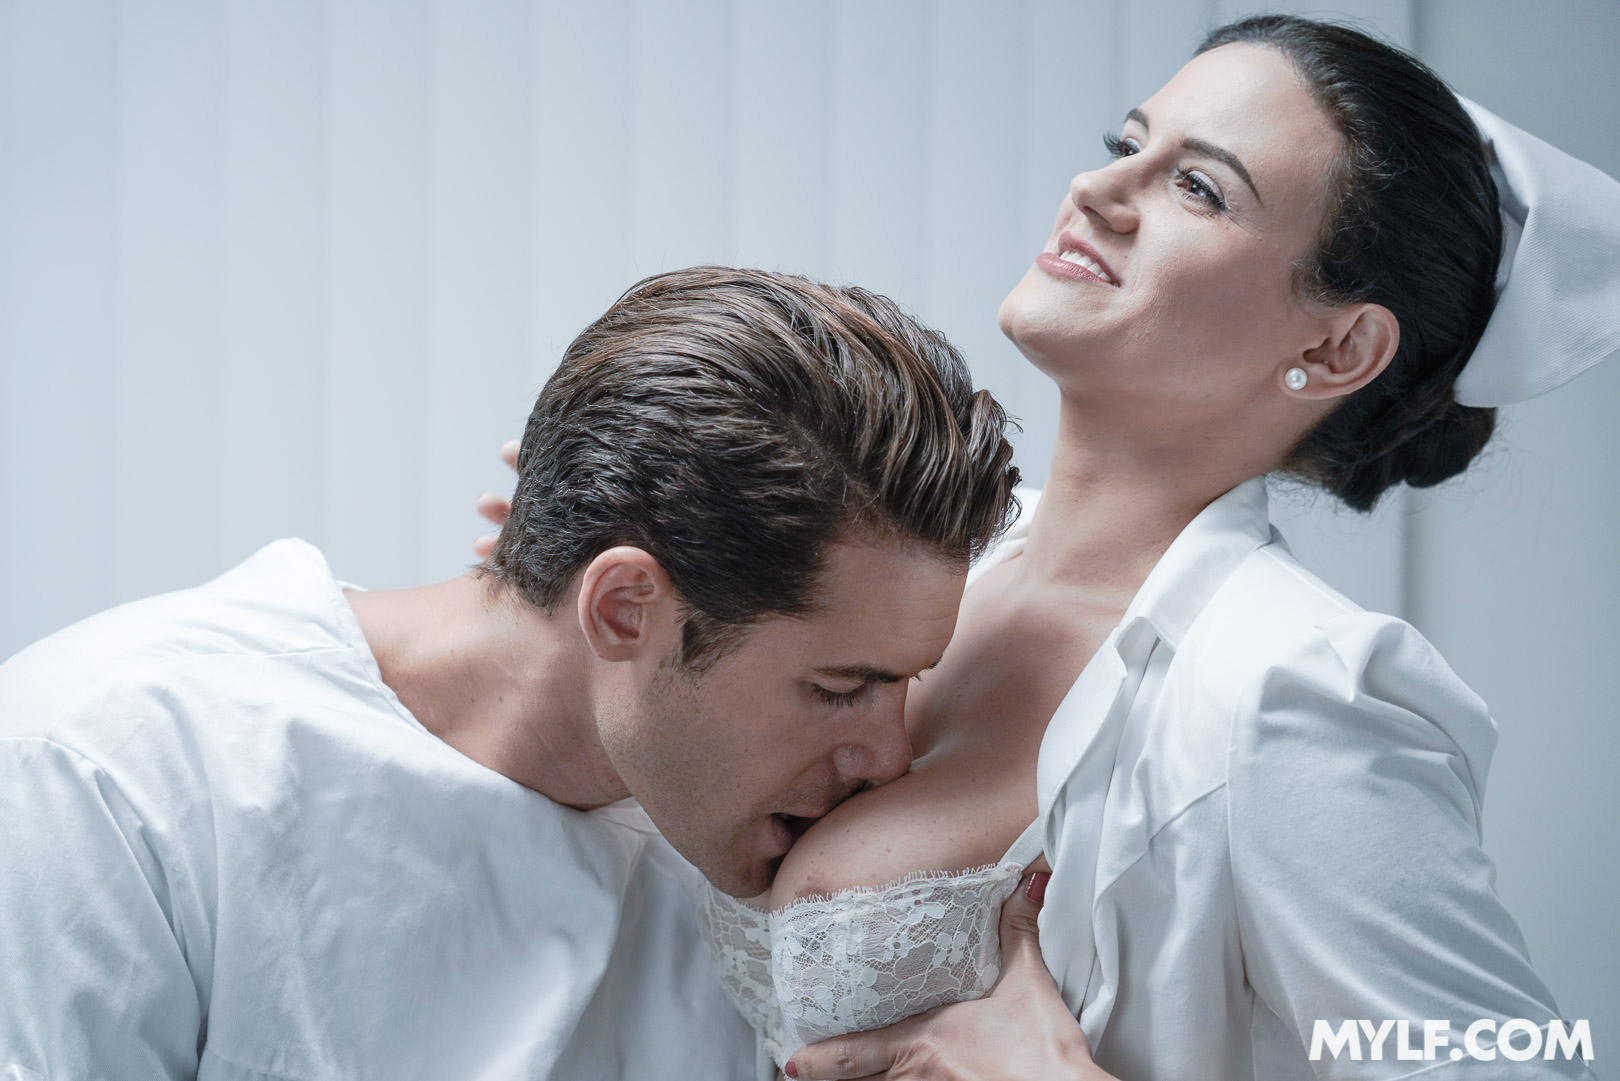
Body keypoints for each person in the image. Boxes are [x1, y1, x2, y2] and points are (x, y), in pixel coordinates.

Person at [476, 17, 1615, 1081]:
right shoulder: (879, 567)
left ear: (1339, 347)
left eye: (1198, 187)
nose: (1099, 191)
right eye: (1128, 144)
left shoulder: (1291, 691)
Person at [0, 267, 1021, 1079]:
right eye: (839, 688)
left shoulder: (775, 890)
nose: (888, 756)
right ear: (624, 609)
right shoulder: (109, 768)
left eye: (904, 684)